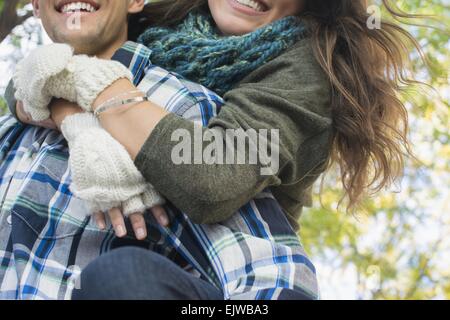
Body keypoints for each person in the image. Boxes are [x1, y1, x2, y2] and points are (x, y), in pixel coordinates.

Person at [0, 0, 319, 300]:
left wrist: (81, 84)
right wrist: (61, 101)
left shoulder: (185, 110)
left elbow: (217, 179)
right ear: (36, 5)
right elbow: (59, 58)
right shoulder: (14, 127)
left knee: (123, 277)